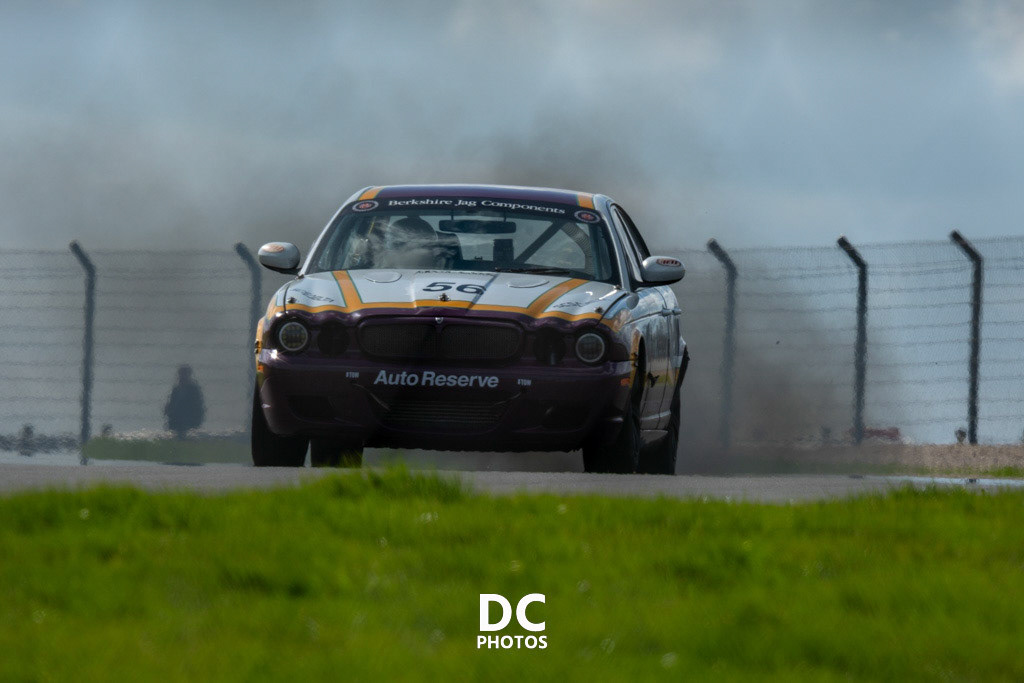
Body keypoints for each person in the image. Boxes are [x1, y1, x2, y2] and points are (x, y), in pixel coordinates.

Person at [164, 365, 205, 439]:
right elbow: (172, 403)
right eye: (181, 374)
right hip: (176, 419)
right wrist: (168, 410)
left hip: (189, 418)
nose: (182, 376)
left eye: (184, 374)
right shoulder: (176, 389)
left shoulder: (193, 389)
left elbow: (197, 406)